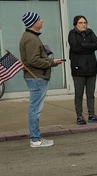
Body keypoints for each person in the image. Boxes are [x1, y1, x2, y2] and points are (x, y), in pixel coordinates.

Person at [19, 11, 64, 148]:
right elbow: (33, 60)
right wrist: (51, 62)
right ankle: (35, 139)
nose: (42, 21)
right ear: (33, 23)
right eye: (39, 19)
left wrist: (50, 60)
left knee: (35, 108)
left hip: (36, 76)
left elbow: (36, 57)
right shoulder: (31, 39)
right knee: (35, 109)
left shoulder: (31, 36)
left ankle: (36, 138)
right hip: (36, 77)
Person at [67, 15, 97, 125]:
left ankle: (92, 114)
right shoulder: (72, 33)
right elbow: (75, 47)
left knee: (90, 93)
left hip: (91, 68)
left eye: (85, 22)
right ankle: (79, 116)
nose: (84, 25)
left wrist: (83, 45)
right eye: (81, 23)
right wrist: (88, 47)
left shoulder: (90, 32)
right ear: (76, 24)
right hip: (78, 69)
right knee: (79, 94)